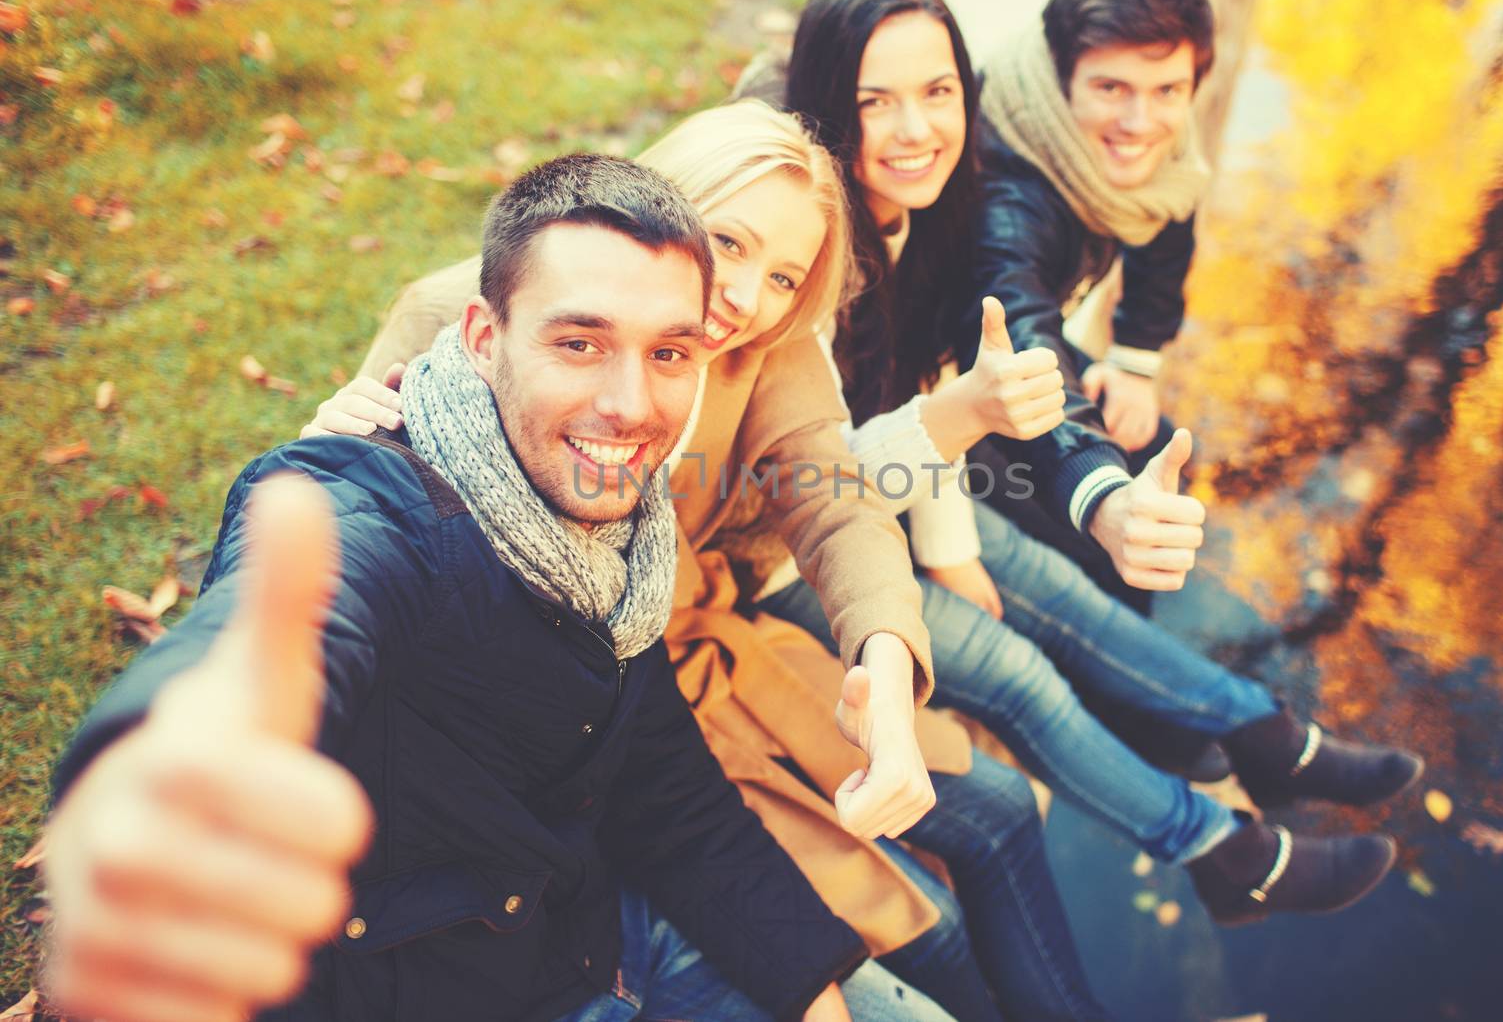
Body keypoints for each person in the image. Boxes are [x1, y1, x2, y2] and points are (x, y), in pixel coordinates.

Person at [43, 154, 947, 1022]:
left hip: (603, 944)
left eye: (669, 354)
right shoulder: (379, 508)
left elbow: (668, 794)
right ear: (484, 337)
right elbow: (289, 622)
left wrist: (812, 990)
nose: (630, 404)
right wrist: (168, 763)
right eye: (580, 342)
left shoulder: (621, 545)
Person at [309, 101, 1107, 1021]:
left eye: (782, 276)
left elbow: (837, 503)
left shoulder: (768, 350)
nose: (744, 297)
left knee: (997, 799)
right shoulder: (461, 317)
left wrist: (885, 661)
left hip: (673, 671)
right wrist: (330, 445)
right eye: (727, 242)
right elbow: (344, 502)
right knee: (926, 928)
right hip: (551, 733)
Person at [743, 0, 1422, 925]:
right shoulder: (849, 240)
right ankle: (1230, 837)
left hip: (887, 483)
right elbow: (842, 455)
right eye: (874, 100)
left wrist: (1123, 371)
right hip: (804, 537)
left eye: (939, 93)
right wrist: (1033, 506)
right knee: (1036, 661)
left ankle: (1262, 745)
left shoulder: (925, 205)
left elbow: (935, 374)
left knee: (1079, 601)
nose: (917, 127)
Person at [960, 0, 1221, 619]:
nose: (1141, 124)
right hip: (939, 383)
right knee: (1098, 528)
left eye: (1168, 91)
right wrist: (1099, 492)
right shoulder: (1009, 187)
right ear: (1060, 76)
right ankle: (1126, 683)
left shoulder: (1157, 150)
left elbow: (1166, 213)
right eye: (1111, 89)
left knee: (1156, 442)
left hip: (1003, 362)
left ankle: (1141, 635)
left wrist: (1134, 361)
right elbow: (1016, 329)